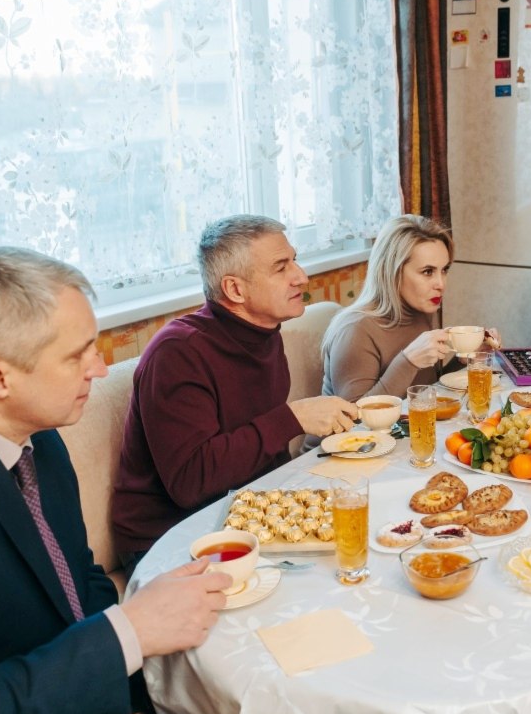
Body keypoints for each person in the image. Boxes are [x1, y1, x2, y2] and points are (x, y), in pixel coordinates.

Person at [0, 248, 231, 714]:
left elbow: (79, 579)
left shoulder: (39, 435)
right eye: (76, 356)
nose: (101, 369)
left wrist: (128, 691)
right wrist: (130, 631)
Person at [112, 215, 358, 564]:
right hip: (171, 537)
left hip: (244, 507)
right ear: (235, 289)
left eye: (295, 260)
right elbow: (190, 482)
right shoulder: (178, 353)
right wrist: (293, 418)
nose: (301, 276)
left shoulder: (264, 332)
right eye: (281, 267)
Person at [321, 214, 498, 402]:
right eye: (427, 272)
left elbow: (425, 390)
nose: (441, 283)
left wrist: (465, 359)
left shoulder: (422, 311)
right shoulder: (355, 330)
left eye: (444, 270)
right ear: (392, 272)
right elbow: (353, 419)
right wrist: (409, 361)